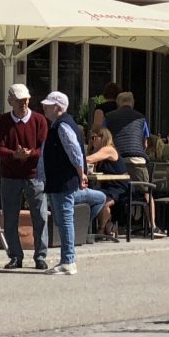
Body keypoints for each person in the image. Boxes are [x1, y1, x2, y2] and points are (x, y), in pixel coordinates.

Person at [39, 91, 108, 275]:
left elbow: (74, 150)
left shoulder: (62, 125)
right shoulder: (58, 124)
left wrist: (81, 172)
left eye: (49, 105)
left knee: (65, 219)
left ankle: (68, 260)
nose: (44, 107)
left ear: (58, 108)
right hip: (58, 181)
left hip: (63, 180)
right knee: (64, 219)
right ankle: (66, 258)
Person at [0, 82, 48, 271]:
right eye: (19, 100)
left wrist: (30, 154)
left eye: (25, 100)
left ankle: (40, 255)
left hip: (34, 174)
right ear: (10, 101)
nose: (23, 104)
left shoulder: (39, 120)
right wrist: (14, 154)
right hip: (10, 175)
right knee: (11, 217)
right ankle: (15, 255)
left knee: (39, 216)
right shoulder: (4, 121)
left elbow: (42, 147)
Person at [103, 89, 150, 162]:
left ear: (118, 104)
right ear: (132, 103)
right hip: (138, 159)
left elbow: (104, 139)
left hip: (118, 160)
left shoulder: (109, 117)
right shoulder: (141, 118)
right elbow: (145, 144)